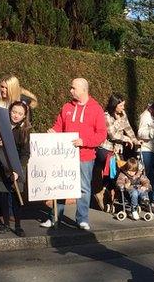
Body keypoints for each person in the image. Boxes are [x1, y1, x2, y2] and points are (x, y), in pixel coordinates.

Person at [42, 77, 107, 231]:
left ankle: (82, 219)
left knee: (84, 188)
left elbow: (101, 134)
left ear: (83, 90)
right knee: (61, 186)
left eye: (73, 88)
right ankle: (54, 217)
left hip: (85, 156)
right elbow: (59, 126)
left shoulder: (96, 109)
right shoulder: (66, 107)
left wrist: (84, 141)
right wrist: (53, 131)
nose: (70, 90)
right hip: (64, 156)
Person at [0, 100, 30, 236]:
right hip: (0, 169)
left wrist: (18, 170)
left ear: (24, 116)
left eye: (20, 113)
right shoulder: (0, 127)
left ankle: (18, 225)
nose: (16, 115)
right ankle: (5, 224)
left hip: (15, 170)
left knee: (16, 197)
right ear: (9, 111)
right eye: (14, 112)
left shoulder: (24, 132)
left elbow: (25, 153)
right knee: (3, 197)